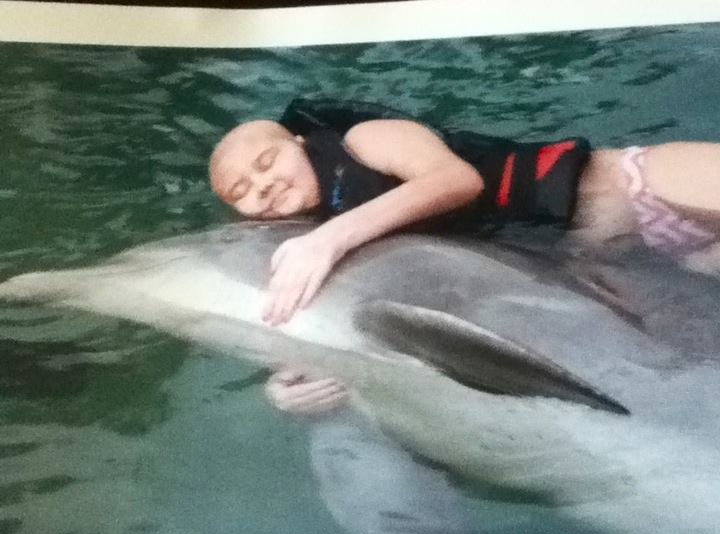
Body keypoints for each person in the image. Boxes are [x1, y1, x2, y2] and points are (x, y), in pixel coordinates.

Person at [210, 98, 720, 411]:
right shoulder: (304, 241)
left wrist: (330, 238)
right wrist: (288, 382)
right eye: (242, 191)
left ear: (302, 142)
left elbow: (458, 180)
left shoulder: (364, 141)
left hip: (633, 191)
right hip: (608, 258)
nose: (262, 184)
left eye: (266, 161)